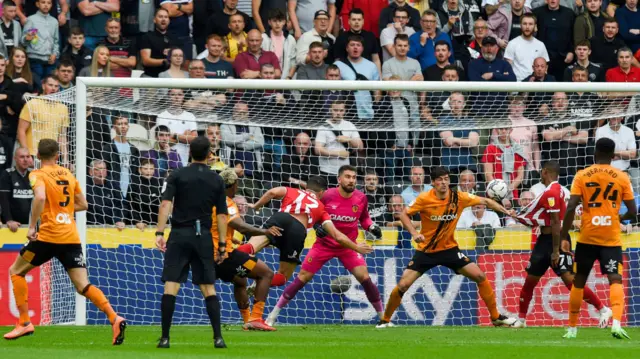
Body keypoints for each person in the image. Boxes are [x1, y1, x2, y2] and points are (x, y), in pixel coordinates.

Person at [3, 139, 126, 342]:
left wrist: (33, 225)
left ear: (38, 157)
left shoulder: (37, 174)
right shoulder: (68, 174)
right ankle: (114, 317)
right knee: (83, 285)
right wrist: (62, 211)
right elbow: (84, 204)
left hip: (48, 236)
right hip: (70, 236)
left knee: (16, 272)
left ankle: (24, 322)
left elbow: (40, 198)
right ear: (58, 156)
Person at [376, 166, 519, 328]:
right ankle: (385, 321)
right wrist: (414, 234)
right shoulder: (424, 199)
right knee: (402, 285)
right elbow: (403, 214)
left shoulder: (459, 197)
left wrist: (506, 212)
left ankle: (496, 317)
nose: (443, 183)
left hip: (450, 250)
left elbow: (485, 201)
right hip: (426, 251)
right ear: (433, 183)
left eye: (446, 179)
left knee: (479, 276)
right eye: (439, 180)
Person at [264, 166, 383, 326]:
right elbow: (311, 211)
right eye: (348, 177)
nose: (351, 180)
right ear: (339, 179)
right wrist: (316, 227)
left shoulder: (361, 198)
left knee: (365, 278)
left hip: (348, 246)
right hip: (324, 245)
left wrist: (371, 227)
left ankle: (384, 319)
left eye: (354, 177)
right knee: (302, 278)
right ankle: (272, 316)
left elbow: (365, 219)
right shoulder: (326, 195)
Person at [514, 160, 611, 327]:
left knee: (570, 280)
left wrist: (556, 250)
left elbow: (556, 223)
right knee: (530, 280)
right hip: (545, 241)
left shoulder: (552, 192)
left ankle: (603, 309)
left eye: (541, 171)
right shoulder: (559, 191)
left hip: (557, 241)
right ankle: (521, 319)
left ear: (545, 171)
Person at [155, 136, 229, 349]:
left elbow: (165, 203)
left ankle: (165, 338)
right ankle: (218, 337)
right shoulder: (216, 179)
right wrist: (222, 245)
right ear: (209, 154)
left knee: (171, 285)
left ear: (189, 153)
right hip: (203, 236)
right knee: (208, 287)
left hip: (179, 234)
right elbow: (222, 216)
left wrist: (159, 232)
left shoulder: (177, 174)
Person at [559, 138, 636, 339]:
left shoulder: (582, 175)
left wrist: (563, 236)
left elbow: (570, 207)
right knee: (615, 279)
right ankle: (617, 324)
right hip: (610, 238)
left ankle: (572, 329)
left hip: (587, 237)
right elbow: (634, 211)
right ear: (613, 156)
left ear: (594, 153)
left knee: (578, 281)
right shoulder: (621, 177)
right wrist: (620, 217)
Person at [236, 175, 367, 288]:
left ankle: (228, 261)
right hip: (297, 231)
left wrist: (256, 206)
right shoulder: (322, 208)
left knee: (250, 247)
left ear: (306, 188)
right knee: (282, 277)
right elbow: (337, 236)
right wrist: (356, 247)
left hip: (281, 219)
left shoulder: (292, 191)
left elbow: (272, 192)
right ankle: (262, 280)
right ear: (322, 193)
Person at [212, 167, 282, 331]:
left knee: (240, 280)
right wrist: (264, 231)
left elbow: (213, 226)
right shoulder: (227, 202)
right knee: (266, 273)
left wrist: (229, 237)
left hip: (208, 253)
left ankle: (247, 320)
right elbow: (240, 226)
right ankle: (256, 318)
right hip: (225, 255)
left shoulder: (210, 200)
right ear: (234, 184)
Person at [17, 75, 68, 165]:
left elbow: (62, 136)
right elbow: (21, 130)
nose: (53, 88)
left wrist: (65, 158)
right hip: (34, 154)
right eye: (50, 85)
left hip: (52, 156)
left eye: (56, 86)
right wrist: (27, 155)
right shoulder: (32, 104)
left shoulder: (63, 108)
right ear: (43, 86)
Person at [503, 14, 549, 81]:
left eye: (530, 24)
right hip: (517, 85)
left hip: (536, 85)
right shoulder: (512, 44)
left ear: (535, 26)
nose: (527, 27)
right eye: (524, 24)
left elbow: (545, 69)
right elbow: (507, 68)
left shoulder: (540, 45)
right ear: (520, 25)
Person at [22, 0, 59, 79]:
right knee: (38, 84)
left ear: (52, 5)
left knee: (49, 82)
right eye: (43, 2)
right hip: (34, 57)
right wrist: (26, 38)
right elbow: (22, 40)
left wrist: (54, 54)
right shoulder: (31, 19)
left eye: (49, 3)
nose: (46, 5)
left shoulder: (54, 21)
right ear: (37, 4)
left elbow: (56, 41)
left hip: (49, 59)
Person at [0, 148, 33, 232]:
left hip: (30, 224)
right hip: (12, 225)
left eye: (28, 156)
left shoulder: (34, 175)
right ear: (15, 158)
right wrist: (9, 220)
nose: (25, 160)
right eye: (22, 157)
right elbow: (4, 199)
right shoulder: (7, 174)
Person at [128, 159, 162, 230]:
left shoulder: (159, 183)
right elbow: (130, 205)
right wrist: (137, 221)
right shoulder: (134, 184)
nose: (148, 171)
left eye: (151, 169)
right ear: (140, 170)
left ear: (154, 170)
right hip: (138, 224)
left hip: (156, 223)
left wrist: (162, 221)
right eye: (145, 169)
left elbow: (163, 204)